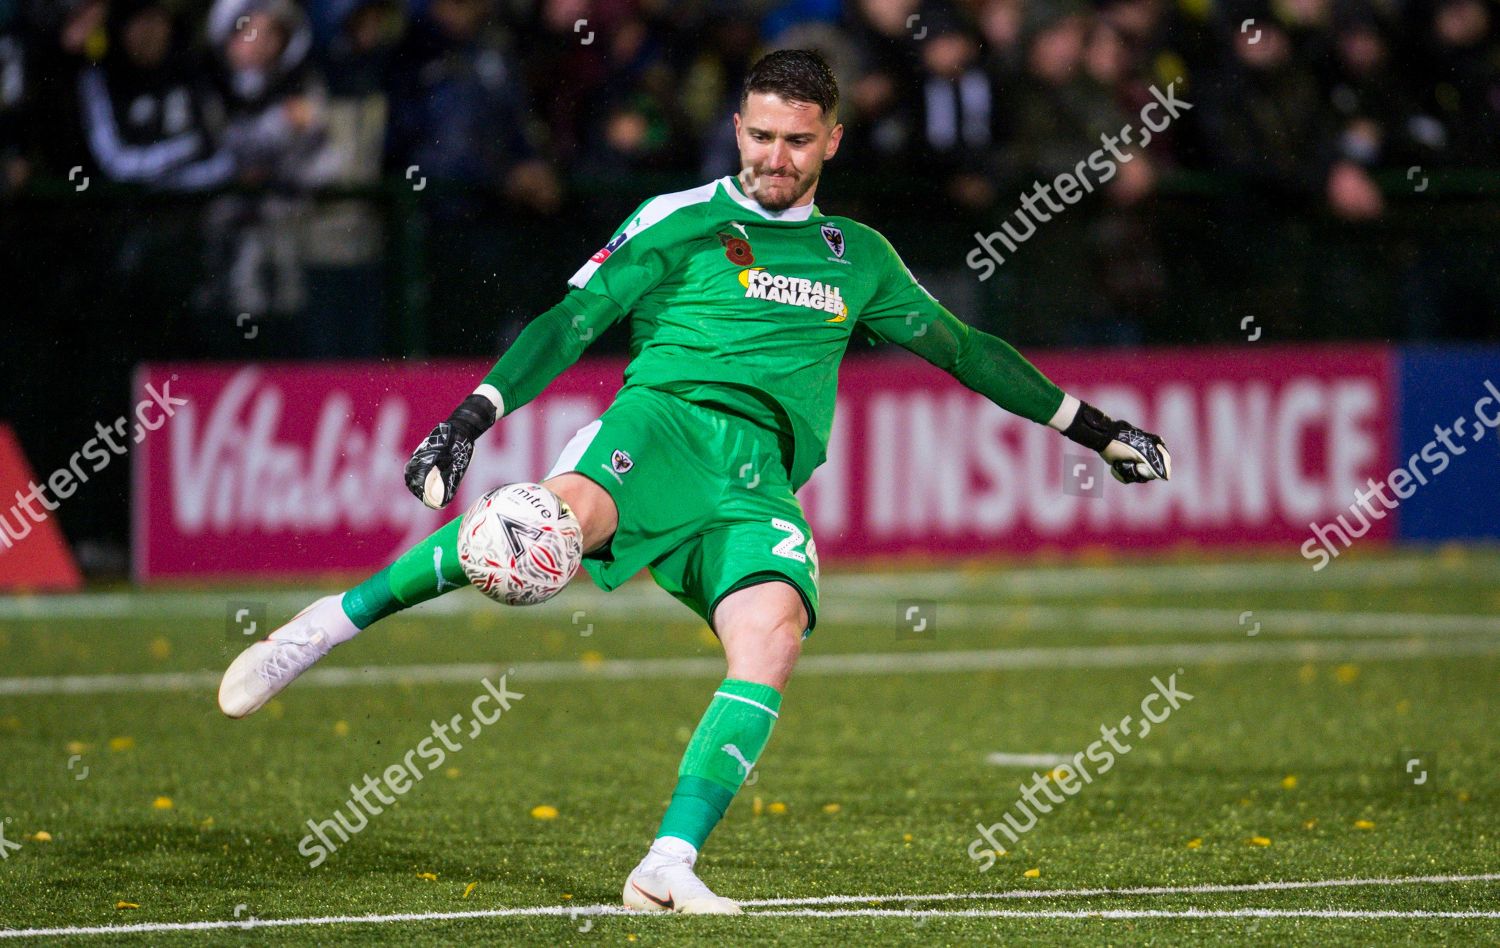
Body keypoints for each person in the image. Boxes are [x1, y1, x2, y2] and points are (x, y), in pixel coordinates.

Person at [218, 49, 1171, 914]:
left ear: (832, 141)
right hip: (661, 424)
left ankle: (664, 865)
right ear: (738, 129)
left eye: (798, 141)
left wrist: (1096, 431)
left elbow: (965, 352)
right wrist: (472, 416)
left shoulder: (860, 258)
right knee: (549, 523)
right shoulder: (679, 220)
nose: (776, 156)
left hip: (759, 474)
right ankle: (320, 628)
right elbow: (573, 321)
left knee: (773, 635)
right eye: (760, 135)